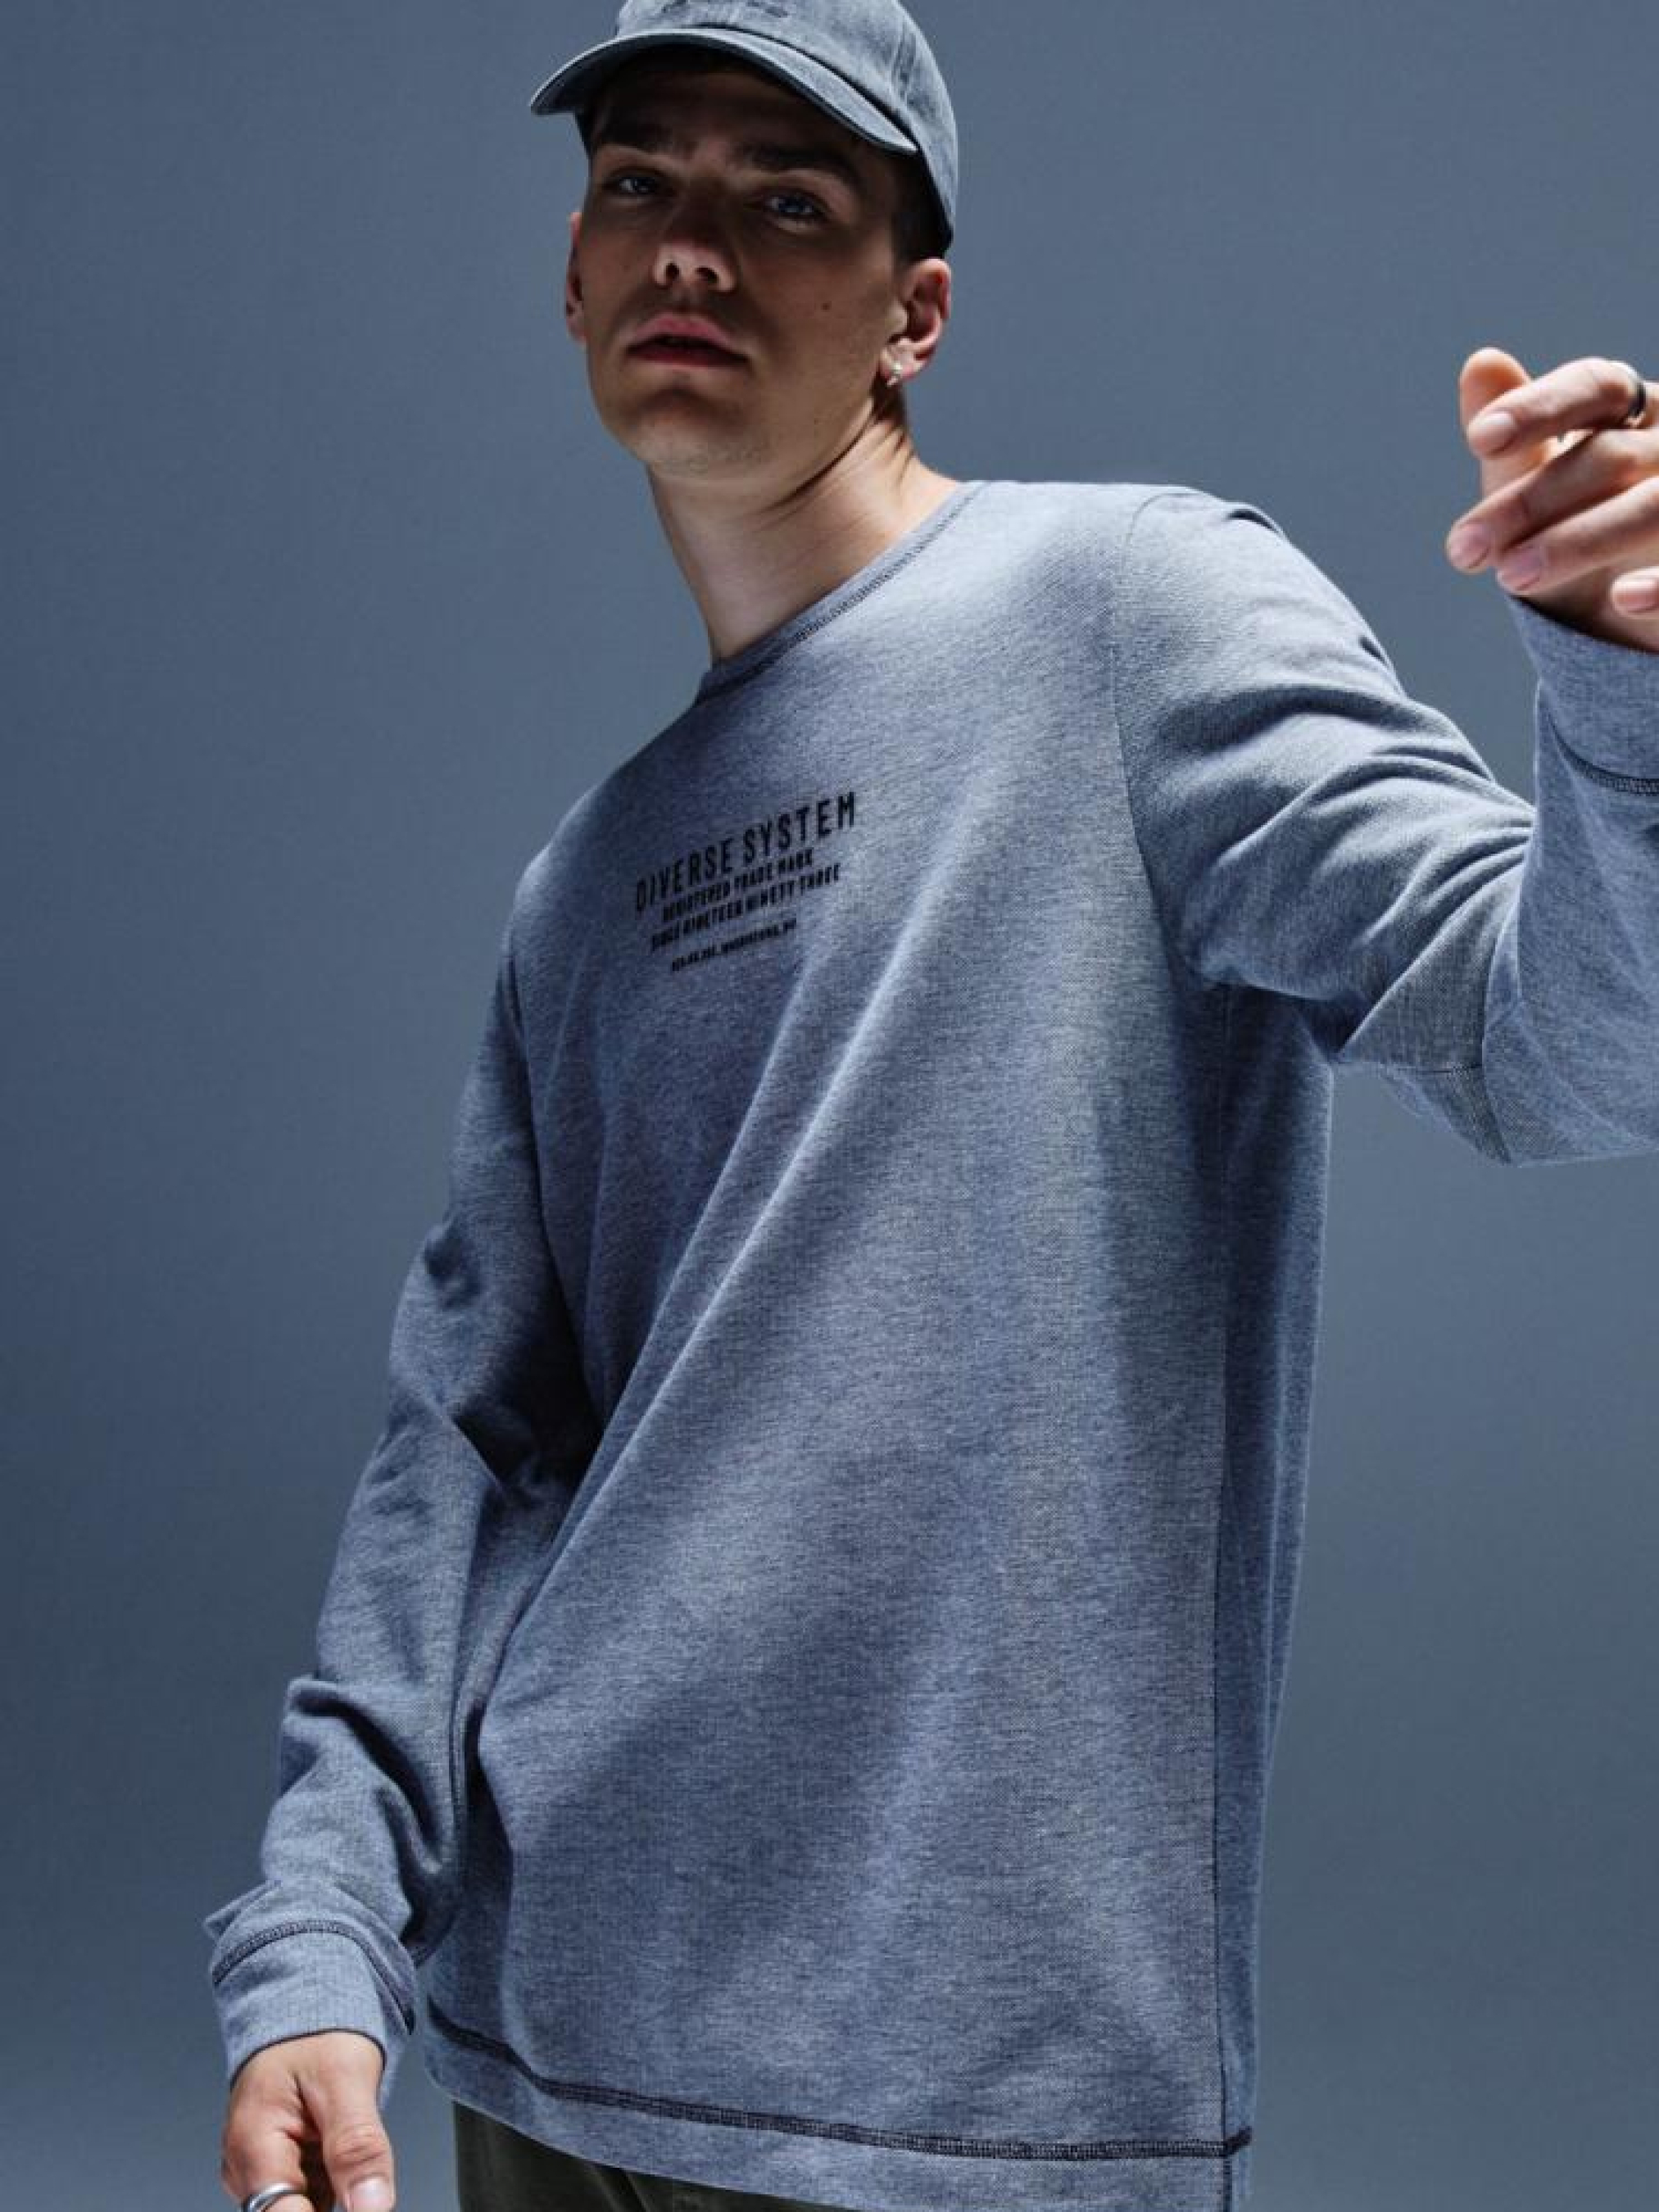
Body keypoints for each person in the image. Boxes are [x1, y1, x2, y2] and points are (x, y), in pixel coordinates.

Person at [206, 3, 1659, 2211]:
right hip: (538, 2049)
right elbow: (469, 1452)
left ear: (915, 314)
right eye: (640, 183)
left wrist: (1624, 684)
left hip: (971, 2111)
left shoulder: (1131, 609)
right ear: (574, 277)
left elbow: (1568, 1041)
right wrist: (318, 1943)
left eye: (787, 199)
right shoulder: (580, 885)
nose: (693, 244)